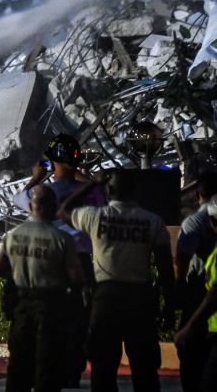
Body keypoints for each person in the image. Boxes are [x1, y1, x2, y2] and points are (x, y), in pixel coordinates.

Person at [60, 170, 175, 392]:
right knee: (145, 370)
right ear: (134, 192)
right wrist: (169, 306)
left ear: (109, 190)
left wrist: (92, 183)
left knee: (103, 369)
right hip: (140, 299)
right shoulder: (152, 221)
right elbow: (165, 269)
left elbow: (65, 210)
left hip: (106, 298)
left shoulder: (96, 217)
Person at [14, 133, 99, 386]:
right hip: (83, 261)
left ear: (52, 163)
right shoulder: (91, 193)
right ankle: (72, 372)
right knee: (78, 318)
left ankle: (49, 370)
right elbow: (101, 191)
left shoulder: (43, 193)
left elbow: (19, 199)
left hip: (50, 263)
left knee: (51, 318)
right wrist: (85, 177)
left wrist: (36, 177)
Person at [0, 186, 83, 392]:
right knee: (48, 365)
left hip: (21, 305)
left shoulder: (12, 235)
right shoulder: (61, 238)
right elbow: (76, 277)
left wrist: (18, 272)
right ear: (52, 207)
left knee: (18, 364)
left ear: (32, 207)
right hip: (50, 306)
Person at [174, 172, 217, 391]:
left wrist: (179, 284)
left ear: (197, 195)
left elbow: (182, 258)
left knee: (190, 350)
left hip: (199, 292)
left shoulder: (194, 222)